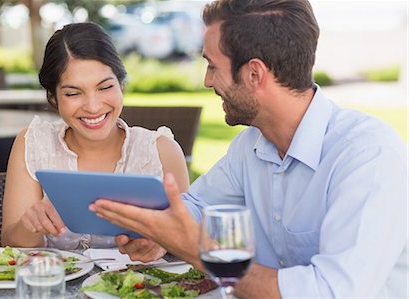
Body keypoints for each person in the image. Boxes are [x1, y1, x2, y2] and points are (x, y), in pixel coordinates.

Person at [89, 0, 408, 298]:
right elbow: (199, 208)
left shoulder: (368, 158)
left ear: (255, 74)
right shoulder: (251, 145)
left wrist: (200, 252)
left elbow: (329, 292)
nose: (206, 81)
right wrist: (153, 228)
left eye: (212, 66)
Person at [1, 23, 189, 253]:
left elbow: (186, 243)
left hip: (140, 287)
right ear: (53, 97)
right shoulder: (33, 143)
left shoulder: (161, 151)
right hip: (55, 286)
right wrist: (31, 224)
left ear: (121, 85)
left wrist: (160, 244)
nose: (93, 106)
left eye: (105, 87)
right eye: (73, 93)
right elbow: (11, 244)